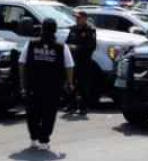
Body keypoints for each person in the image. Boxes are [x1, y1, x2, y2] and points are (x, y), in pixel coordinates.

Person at [21, 18, 74, 151]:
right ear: (55, 31)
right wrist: (70, 83)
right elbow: (69, 66)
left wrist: (23, 84)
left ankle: (34, 138)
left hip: (33, 86)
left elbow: (21, 63)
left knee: (32, 113)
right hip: (53, 87)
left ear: (42, 29)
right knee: (48, 114)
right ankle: (44, 140)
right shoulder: (61, 47)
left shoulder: (31, 44)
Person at [66, 10, 98, 115]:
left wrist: (78, 48)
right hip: (73, 61)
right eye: (76, 18)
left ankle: (83, 107)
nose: (77, 19)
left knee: (83, 85)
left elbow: (91, 46)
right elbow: (68, 42)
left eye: (79, 18)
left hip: (84, 61)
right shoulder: (73, 29)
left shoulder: (90, 30)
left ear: (85, 19)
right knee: (71, 83)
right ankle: (71, 105)